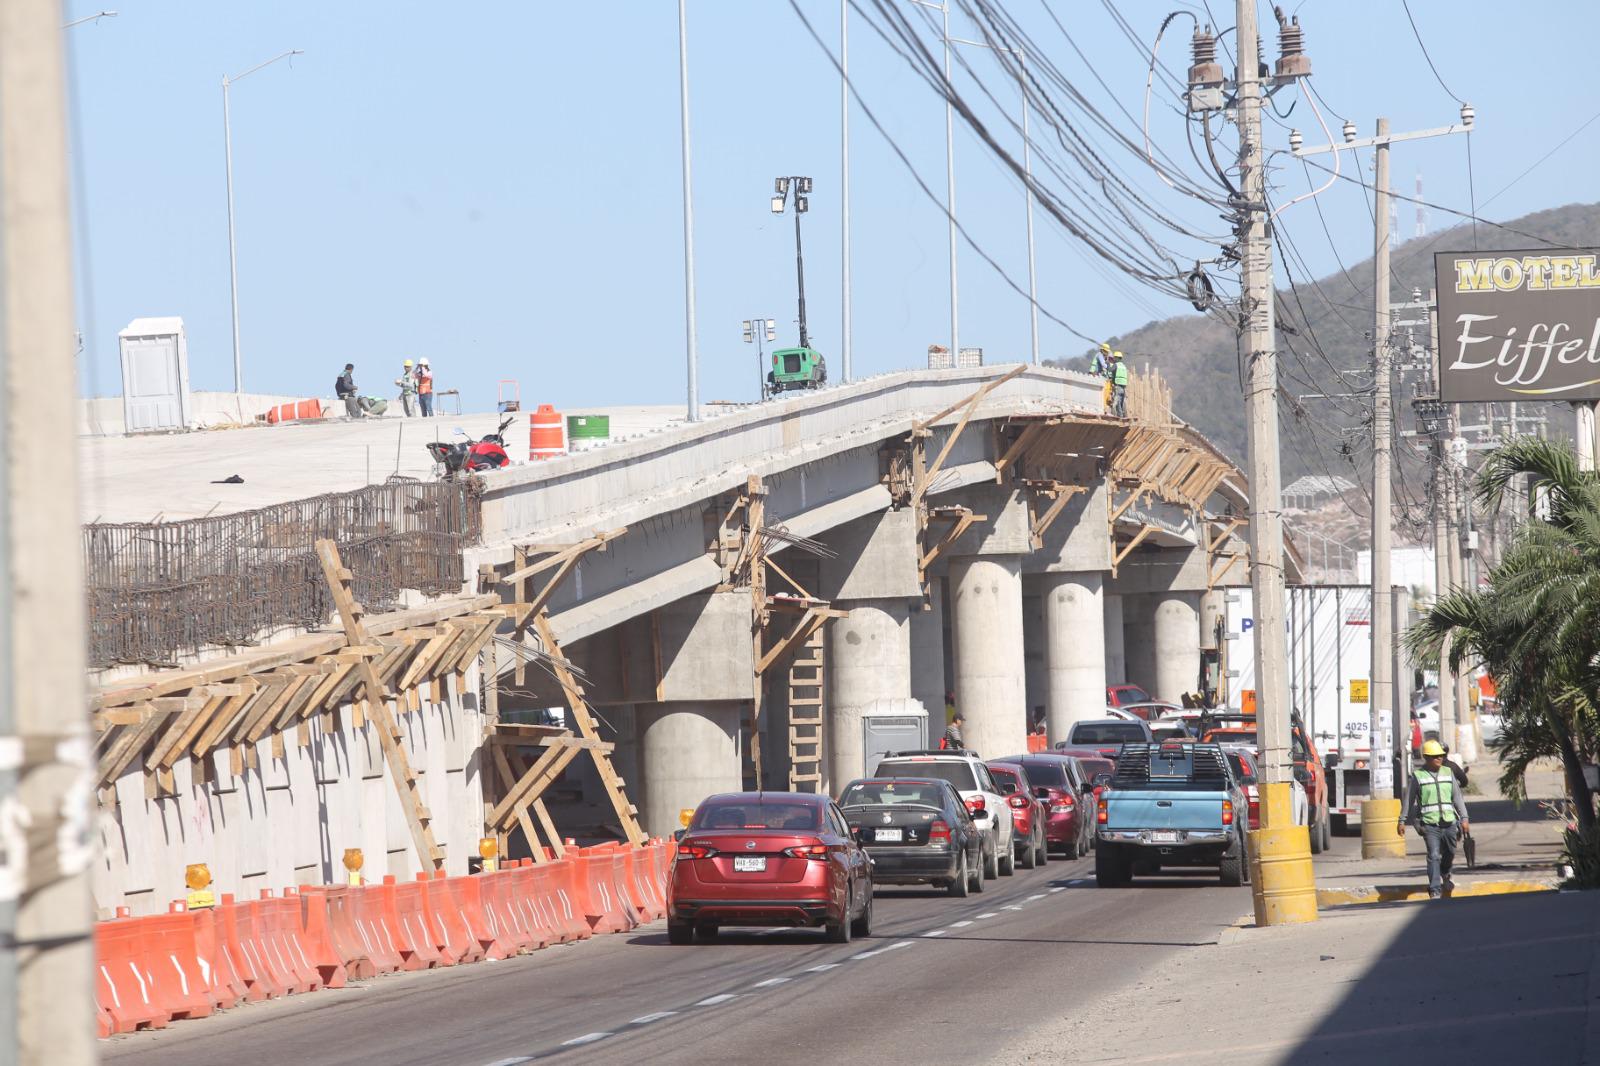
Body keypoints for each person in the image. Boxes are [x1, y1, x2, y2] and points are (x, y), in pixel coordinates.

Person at [1398, 739, 1470, 899]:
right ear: (1427, 758)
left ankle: (1445, 872)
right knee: (1434, 855)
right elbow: (1408, 800)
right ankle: (1435, 889)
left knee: (1450, 852)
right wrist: (1402, 820)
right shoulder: (1418, 776)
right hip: (1430, 824)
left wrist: (1464, 818)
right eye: (1435, 756)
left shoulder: (1448, 772)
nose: (1439, 758)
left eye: (1441, 756)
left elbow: (1457, 797)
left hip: (1450, 822)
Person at [1093, 343, 1114, 410]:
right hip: (1096, 374)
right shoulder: (1100, 355)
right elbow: (1103, 364)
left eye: (1107, 352)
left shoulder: (1104, 356)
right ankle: (1103, 407)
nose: (1106, 353)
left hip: (1100, 374)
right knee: (1104, 391)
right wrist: (1109, 367)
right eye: (1106, 351)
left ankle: (1107, 403)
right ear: (1102, 350)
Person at [1111, 350, 1129, 417]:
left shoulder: (1116, 365)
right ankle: (1123, 415)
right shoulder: (1123, 366)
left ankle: (1120, 416)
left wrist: (1107, 364)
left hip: (1118, 386)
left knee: (1117, 402)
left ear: (1116, 358)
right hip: (1123, 387)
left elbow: (1111, 371)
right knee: (1121, 402)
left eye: (1114, 358)